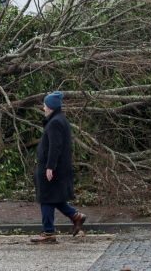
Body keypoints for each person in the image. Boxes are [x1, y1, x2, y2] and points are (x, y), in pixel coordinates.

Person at [30, 91, 87, 243]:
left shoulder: (55, 122)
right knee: (53, 197)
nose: (43, 108)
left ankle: (48, 232)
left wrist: (50, 167)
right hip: (57, 167)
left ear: (51, 107)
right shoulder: (60, 119)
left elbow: (55, 147)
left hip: (52, 168)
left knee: (46, 198)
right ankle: (76, 216)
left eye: (45, 105)